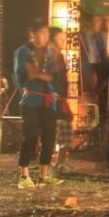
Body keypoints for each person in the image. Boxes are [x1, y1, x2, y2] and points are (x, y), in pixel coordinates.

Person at [15, 20, 61, 188]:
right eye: (41, 33)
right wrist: (42, 75)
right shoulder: (24, 52)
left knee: (49, 137)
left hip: (48, 100)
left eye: (46, 33)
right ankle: (24, 176)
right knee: (30, 136)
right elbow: (28, 74)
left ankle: (44, 174)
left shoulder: (50, 53)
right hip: (31, 99)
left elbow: (54, 75)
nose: (44, 37)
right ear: (32, 34)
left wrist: (43, 76)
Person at [49, 27, 75, 174]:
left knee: (65, 130)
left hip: (60, 99)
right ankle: (52, 165)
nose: (63, 41)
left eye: (64, 39)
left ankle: (61, 163)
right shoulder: (48, 56)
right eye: (60, 38)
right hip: (52, 100)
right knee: (54, 132)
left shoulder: (59, 56)